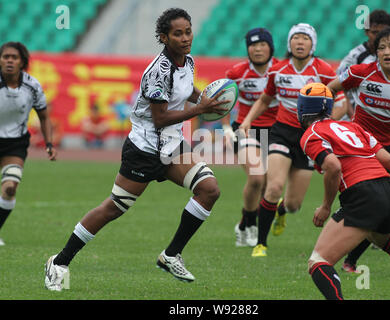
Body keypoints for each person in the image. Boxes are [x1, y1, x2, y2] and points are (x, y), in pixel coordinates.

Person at [44, 8, 228, 291]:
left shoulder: (188, 62)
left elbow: (187, 89)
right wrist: (200, 109)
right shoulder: (158, 71)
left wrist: (205, 96)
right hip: (144, 149)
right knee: (113, 208)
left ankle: (170, 255)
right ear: (164, 37)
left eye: (187, 31)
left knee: (209, 189)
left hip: (173, 145)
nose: (185, 38)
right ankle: (59, 262)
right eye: (177, 34)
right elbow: (160, 117)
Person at [297, 82, 390, 300]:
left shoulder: (311, 134)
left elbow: (333, 166)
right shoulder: (353, 127)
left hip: (364, 194)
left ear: (301, 110)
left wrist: (326, 206)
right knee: (380, 237)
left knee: (318, 262)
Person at [240, 23, 344, 257]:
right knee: (274, 186)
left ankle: (282, 211)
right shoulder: (278, 70)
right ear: (289, 43)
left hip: (309, 138)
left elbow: (342, 102)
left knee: (294, 204)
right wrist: (247, 121)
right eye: (296, 38)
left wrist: (326, 125)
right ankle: (261, 244)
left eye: (305, 39)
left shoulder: (324, 71)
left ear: (312, 44)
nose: (300, 42)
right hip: (282, 133)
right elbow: (265, 100)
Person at [328, 27, 390, 273]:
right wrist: (328, 117)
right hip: (358, 144)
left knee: (380, 204)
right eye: (381, 48)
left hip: (385, 145)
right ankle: (344, 254)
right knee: (369, 200)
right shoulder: (362, 72)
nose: (386, 51)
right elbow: (329, 88)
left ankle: (349, 256)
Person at [223, 27, 279, 247]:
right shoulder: (237, 72)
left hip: (277, 132)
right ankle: (252, 224)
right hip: (246, 129)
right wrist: (227, 128)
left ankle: (244, 225)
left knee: (268, 188)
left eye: (262, 44)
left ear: (270, 47)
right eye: (253, 45)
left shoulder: (281, 71)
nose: (257, 49)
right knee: (256, 178)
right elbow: (222, 101)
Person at [0, 42, 57, 246]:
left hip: (15, 144)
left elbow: (43, 116)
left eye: (14, 58)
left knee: (10, 188)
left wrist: (49, 143)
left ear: (22, 62)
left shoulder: (32, 86)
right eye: (5, 57)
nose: (9, 61)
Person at [336, 10, 390, 121]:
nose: (379, 37)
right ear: (366, 32)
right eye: (375, 32)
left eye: (384, 33)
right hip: (354, 121)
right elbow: (340, 89)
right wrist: (353, 118)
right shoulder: (355, 57)